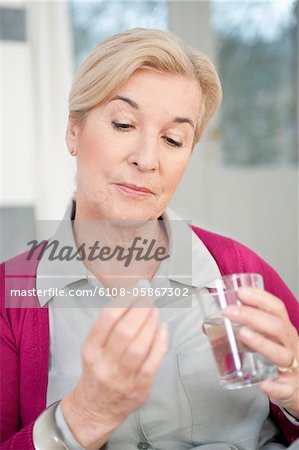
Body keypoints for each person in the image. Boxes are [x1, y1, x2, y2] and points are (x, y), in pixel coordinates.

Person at [0, 28, 298, 450]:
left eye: (173, 139)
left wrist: (297, 389)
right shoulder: (10, 300)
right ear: (73, 131)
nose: (147, 159)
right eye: (123, 124)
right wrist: (82, 419)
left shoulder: (239, 269)